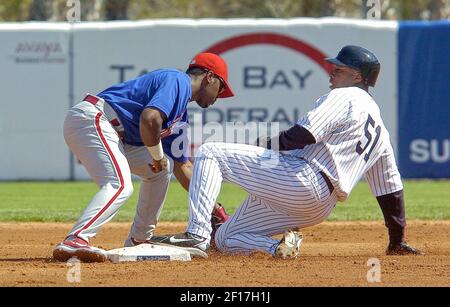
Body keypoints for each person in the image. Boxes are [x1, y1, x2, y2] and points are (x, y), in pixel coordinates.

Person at [151, 45, 422, 259]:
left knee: (210, 152)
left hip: (302, 180)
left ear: (357, 77)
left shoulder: (347, 96)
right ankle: (278, 248)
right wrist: (397, 241)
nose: (331, 72)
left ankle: (196, 234)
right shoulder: (381, 132)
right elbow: (390, 190)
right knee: (224, 238)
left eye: (338, 69)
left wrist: (266, 144)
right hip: (317, 208)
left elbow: (303, 134)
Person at [53, 52, 233, 263]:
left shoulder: (179, 114)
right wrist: (157, 156)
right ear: (209, 77)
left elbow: (183, 168)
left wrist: (215, 209)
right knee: (120, 184)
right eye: (221, 87)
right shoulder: (177, 81)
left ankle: (139, 240)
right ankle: (76, 239)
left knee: (163, 170)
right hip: (94, 119)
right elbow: (149, 119)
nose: (219, 96)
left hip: (115, 134)